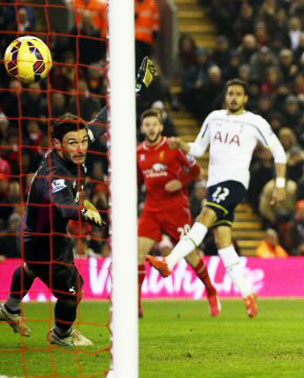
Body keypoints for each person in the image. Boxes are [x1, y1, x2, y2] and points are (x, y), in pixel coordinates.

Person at [0, 58, 156, 347]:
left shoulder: (73, 147)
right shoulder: (54, 174)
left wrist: (137, 87)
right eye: (73, 143)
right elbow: (64, 205)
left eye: (84, 141)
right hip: (42, 241)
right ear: (58, 145)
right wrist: (86, 211)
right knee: (74, 291)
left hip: (46, 234)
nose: (82, 147)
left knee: (32, 269)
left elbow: (107, 118)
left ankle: (9, 308)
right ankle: (61, 335)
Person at [147, 79, 287, 318]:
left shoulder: (255, 122)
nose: (233, 97)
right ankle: (248, 294)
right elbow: (199, 149)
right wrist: (181, 144)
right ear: (226, 96)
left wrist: (280, 184)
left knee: (205, 215)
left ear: (245, 99)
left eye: (238, 94)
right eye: (230, 93)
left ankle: (168, 263)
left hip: (235, 182)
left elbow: (279, 152)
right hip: (214, 184)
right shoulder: (213, 118)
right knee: (223, 242)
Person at [137, 109, 219, 318]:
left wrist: (180, 182)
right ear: (142, 128)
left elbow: (196, 171)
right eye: (147, 125)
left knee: (191, 256)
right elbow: (137, 181)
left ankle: (211, 290)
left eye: (154, 124)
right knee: (137, 254)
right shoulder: (139, 153)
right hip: (152, 209)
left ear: (161, 127)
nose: (151, 128)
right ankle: (136, 303)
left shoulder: (173, 147)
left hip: (176, 209)